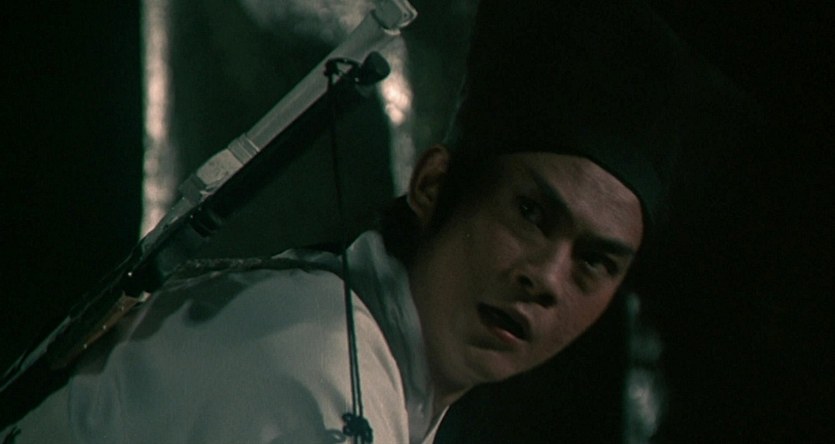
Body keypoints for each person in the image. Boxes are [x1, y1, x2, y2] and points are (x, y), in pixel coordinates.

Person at [3, 0, 686, 442]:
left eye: (594, 261)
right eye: (530, 213)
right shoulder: (316, 367)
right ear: (433, 185)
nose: (547, 277)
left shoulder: (381, 364)